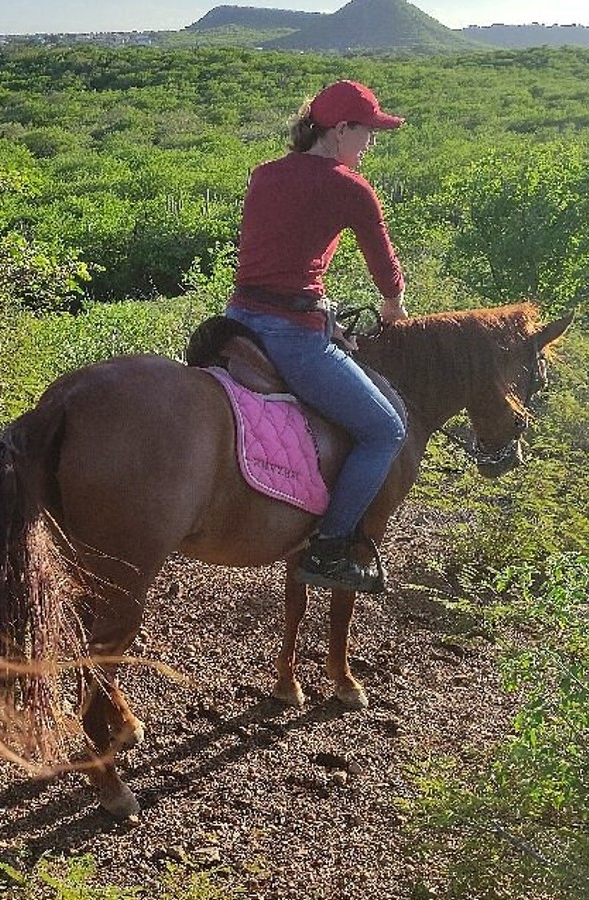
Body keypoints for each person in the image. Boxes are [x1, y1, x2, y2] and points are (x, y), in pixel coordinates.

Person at [224, 79, 410, 593]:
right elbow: (383, 263)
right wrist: (393, 304)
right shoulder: (350, 187)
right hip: (292, 333)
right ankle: (329, 548)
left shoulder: (264, 174)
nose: (370, 143)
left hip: (236, 319)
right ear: (340, 129)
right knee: (385, 430)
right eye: (367, 131)